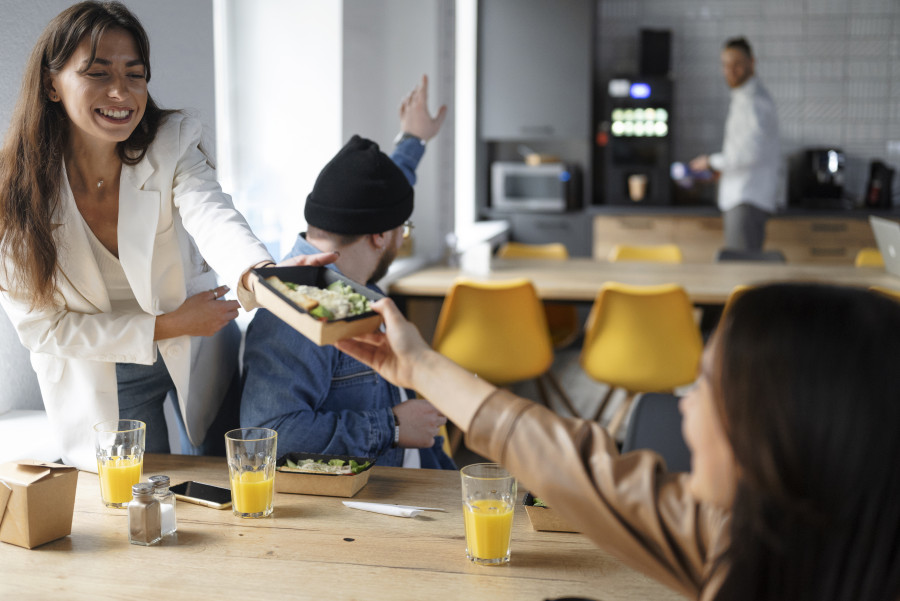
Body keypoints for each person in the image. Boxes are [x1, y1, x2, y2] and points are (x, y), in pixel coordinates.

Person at [336, 283, 900, 600]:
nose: (685, 405)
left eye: (705, 384)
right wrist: (420, 368)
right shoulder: (744, 535)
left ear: (785, 430)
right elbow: (577, 468)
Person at [0, 1, 334, 471]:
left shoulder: (170, 141)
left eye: (135, 74)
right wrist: (169, 324)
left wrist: (261, 275)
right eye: (97, 73)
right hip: (105, 368)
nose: (121, 91)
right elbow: (43, 328)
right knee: (142, 494)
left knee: (229, 475)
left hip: (197, 347)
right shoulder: (14, 192)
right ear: (52, 84)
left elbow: (212, 212)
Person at [240, 86, 451, 470]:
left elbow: (384, 192)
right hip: (385, 504)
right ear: (381, 236)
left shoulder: (347, 258)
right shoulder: (298, 310)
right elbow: (266, 436)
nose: (404, 237)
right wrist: (393, 426)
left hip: (422, 472)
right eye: (404, 228)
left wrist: (413, 139)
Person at [690, 37, 780, 252]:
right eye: (725, 64)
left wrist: (711, 162)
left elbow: (749, 154)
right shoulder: (744, 98)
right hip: (742, 197)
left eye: (737, 64)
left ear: (752, 62)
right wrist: (720, 170)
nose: (730, 70)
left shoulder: (754, 102)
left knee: (741, 275)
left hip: (746, 200)